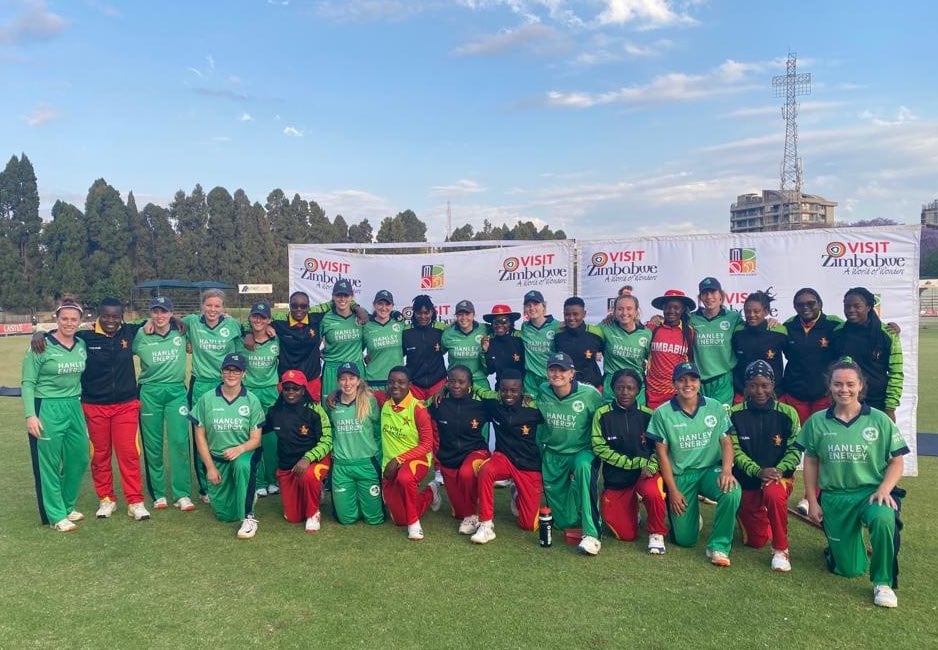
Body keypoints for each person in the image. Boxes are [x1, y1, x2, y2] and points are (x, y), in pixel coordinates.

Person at [796, 358, 909, 608]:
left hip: (871, 493)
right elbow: (811, 461)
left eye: (850, 384)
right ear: (830, 386)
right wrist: (812, 500)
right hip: (835, 497)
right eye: (837, 384)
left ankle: (883, 583)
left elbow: (897, 461)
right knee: (849, 569)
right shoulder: (817, 421)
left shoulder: (879, 420)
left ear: (860, 386)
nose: (844, 389)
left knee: (884, 518)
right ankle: (837, 549)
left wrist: (884, 489)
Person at [31, 297, 150, 521]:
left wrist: (176, 322)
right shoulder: (85, 337)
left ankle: (135, 501)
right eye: (106, 316)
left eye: (116, 316)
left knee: (129, 454)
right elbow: (61, 335)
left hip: (125, 405)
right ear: (98, 315)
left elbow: (153, 322)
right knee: (99, 455)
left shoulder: (129, 332)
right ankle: (106, 499)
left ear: (122, 317)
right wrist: (40, 334)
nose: (111, 321)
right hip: (94, 406)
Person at [647, 362, 741, 567]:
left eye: (693, 379)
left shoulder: (715, 407)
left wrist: (727, 470)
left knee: (731, 490)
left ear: (699, 382)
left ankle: (719, 546)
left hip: (709, 470)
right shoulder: (662, 413)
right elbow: (662, 455)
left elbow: (726, 442)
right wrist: (673, 491)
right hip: (682, 475)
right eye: (682, 380)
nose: (687, 384)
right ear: (674, 384)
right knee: (685, 540)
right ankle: (691, 517)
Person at [22, 298, 90, 532]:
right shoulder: (41, 345)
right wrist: (30, 415)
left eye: (73, 319)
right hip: (47, 406)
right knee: (49, 463)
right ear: (57, 319)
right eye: (64, 319)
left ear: (80, 321)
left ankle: (67, 505)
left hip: (74, 405)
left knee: (79, 457)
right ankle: (55, 515)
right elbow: (28, 382)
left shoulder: (81, 344)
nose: (69, 323)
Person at [729, 360, 801, 572]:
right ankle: (752, 513)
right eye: (753, 385)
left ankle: (780, 550)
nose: (759, 391)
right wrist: (757, 471)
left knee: (773, 493)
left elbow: (795, 449)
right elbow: (735, 451)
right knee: (756, 541)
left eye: (764, 385)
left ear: (772, 385)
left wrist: (779, 470)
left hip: (778, 477)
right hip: (747, 480)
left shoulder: (788, 413)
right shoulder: (733, 413)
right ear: (746, 386)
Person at [591, 369, 667, 554]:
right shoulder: (602, 414)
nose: (625, 392)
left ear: (638, 390)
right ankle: (632, 510)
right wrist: (633, 463)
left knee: (653, 493)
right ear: (613, 389)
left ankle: (656, 533)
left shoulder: (649, 415)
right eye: (620, 387)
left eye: (630, 388)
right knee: (626, 535)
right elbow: (599, 447)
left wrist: (651, 466)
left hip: (644, 474)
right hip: (617, 479)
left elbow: (659, 448)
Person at [536, 352, 604, 555]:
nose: (557, 374)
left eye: (562, 370)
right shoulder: (542, 390)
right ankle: (576, 492)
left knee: (583, 469)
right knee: (565, 522)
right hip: (554, 453)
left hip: (582, 452)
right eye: (552, 369)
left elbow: (603, 420)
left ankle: (592, 534)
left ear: (572, 373)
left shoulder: (590, 394)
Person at [190, 353, 264, 539]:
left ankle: (249, 517)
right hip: (218, 458)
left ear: (244, 374)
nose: (231, 374)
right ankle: (247, 493)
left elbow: (256, 439)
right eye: (228, 370)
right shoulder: (207, 399)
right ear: (221, 372)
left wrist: (240, 449)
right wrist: (210, 468)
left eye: (236, 371)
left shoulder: (251, 400)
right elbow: (200, 436)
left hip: (244, 453)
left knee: (242, 465)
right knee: (225, 515)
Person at [133, 296, 195, 511]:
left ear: (171, 313)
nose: (159, 316)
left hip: (176, 391)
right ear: (150, 313)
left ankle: (182, 494)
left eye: (164, 311)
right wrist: (144, 323)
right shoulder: (141, 333)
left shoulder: (181, 331)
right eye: (155, 311)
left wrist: (178, 321)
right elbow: (121, 342)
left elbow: (199, 321)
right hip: (150, 392)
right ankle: (158, 494)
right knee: (153, 444)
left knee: (179, 441)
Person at [471, 369, 544, 544]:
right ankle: (486, 525)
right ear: (499, 390)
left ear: (522, 390)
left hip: (528, 464)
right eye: (504, 390)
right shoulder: (494, 402)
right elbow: (474, 387)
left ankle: (517, 494)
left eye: (514, 390)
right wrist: (444, 387)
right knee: (486, 469)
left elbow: (552, 402)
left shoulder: (534, 407)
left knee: (529, 525)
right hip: (504, 457)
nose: (508, 394)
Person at [182, 289, 242, 501]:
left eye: (217, 306)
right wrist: (149, 324)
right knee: (202, 435)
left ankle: (231, 479)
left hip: (226, 384)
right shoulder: (191, 322)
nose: (213, 310)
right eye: (209, 305)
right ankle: (206, 487)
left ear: (223, 308)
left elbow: (244, 342)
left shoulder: (232, 325)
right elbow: (170, 322)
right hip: (200, 384)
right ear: (202, 306)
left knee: (228, 430)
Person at [264, 369, 333, 533]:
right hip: (287, 465)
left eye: (296, 388)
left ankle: (313, 513)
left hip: (314, 461)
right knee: (293, 517)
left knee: (308, 476)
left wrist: (307, 458)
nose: (291, 392)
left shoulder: (315, 409)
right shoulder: (275, 411)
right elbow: (258, 429)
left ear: (304, 390)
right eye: (287, 388)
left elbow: (327, 440)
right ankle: (312, 494)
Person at [428, 365, 490, 535]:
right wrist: (439, 391)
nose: (456, 385)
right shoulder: (439, 401)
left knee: (466, 473)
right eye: (452, 381)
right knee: (458, 514)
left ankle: (472, 516)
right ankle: (434, 492)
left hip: (475, 452)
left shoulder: (481, 403)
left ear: (469, 383)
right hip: (449, 459)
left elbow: (505, 403)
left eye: (461, 382)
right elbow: (417, 409)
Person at [380, 366, 438, 540]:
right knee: (399, 520)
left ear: (410, 385)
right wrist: (336, 394)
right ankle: (431, 492)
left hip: (416, 460)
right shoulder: (384, 401)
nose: (395, 386)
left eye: (401, 382)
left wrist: (399, 459)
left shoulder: (418, 408)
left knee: (405, 478)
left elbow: (427, 444)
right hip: (389, 466)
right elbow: (360, 390)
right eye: (391, 382)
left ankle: (414, 524)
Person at [325, 362, 383, 525]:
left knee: (374, 519)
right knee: (346, 519)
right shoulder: (332, 404)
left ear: (358, 380)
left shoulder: (369, 401)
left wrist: (378, 455)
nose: (347, 383)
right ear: (338, 381)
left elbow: (379, 430)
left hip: (366, 464)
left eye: (351, 378)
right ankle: (353, 500)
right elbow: (330, 431)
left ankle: (365, 500)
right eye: (343, 379)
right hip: (342, 466)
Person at [832, 287, 903, 419]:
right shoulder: (837, 332)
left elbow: (896, 373)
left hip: (878, 403)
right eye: (847, 306)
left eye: (857, 306)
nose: (851, 310)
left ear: (869, 307)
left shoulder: (888, 334)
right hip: (845, 402)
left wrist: (890, 407)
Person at [237, 302, 281, 498]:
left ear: (269, 320)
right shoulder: (242, 341)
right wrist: (247, 332)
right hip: (250, 393)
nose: (258, 320)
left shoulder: (276, 340)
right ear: (249, 318)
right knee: (253, 437)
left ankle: (272, 480)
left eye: (263, 317)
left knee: (271, 438)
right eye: (255, 316)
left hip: (271, 392)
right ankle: (259, 480)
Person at [779, 288, 841, 424]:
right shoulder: (788, 326)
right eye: (800, 304)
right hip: (795, 394)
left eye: (811, 303)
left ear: (820, 303)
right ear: (794, 307)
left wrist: (887, 326)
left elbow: (856, 328)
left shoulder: (834, 324)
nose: (805, 307)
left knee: (822, 433)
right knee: (799, 434)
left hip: (824, 394)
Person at [689, 277, 741, 409]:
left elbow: (752, 328)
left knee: (720, 417)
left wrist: (769, 321)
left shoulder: (734, 317)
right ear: (700, 297)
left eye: (713, 292)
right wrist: (657, 319)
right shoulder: (691, 318)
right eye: (705, 293)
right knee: (700, 417)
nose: (709, 297)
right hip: (698, 380)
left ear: (721, 295)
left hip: (723, 379)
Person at [731, 289, 787, 402]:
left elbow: (792, 356)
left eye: (756, 311)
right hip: (743, 394)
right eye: (747, 311)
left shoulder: (779, 331)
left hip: (773, 394)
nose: (751, 315)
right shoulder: (737, 332)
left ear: (766, 312)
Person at [645, 289, 696, 410]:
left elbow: (691, 360)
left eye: (676, 307)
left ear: (683, 309)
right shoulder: (652, 327)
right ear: (663, 308)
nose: (671, 311)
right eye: (668, 307)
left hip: (678, 392)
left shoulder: (689, 332)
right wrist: (611, 317)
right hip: (653, 392)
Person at [598, 294, 651, 403]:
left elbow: (652, 360)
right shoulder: (605, 327)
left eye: (629, 309)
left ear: (636, 311)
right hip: (612, 387)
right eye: (620, 309)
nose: (624, 313)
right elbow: (586, 335)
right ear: (614, 311)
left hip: (636, 388)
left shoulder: (646, 334)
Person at [320, 279, 364, 400]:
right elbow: (314, 343)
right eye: (339, 295)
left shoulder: (360, 315)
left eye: (346, 295)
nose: (342, 299)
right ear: (333, 296)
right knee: (331, 405)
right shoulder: (326, 318)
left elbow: (367, 340)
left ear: (352, 297)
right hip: (333, 369)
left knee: (359, 406)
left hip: (355, 368)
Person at [553, 297, 604, 391]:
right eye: (567, 314)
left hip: (592, 387)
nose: (571, 318)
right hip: (567, 388)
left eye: (575, 314)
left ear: (584, 314)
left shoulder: (596, 333)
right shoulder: (558, 335)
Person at [402, 295, 447, 401]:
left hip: (438, 383)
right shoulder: (405, 331)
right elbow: (397, 353)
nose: (423, 316)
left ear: (432, 312)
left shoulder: (442, 329)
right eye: (419, 313)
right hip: (414, 386)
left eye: (426, 313)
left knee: (437, 412)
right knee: (417, 412)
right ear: (414, 312)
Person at [362, 290, 404, 393]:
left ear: (392, 306)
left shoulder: (400, 323)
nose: (383, 308)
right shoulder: (366, 326)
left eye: (387, 304)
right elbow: (356, 350)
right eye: (380, 304)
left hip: (396, 382)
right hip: (373, 381)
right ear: (374, 305)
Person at [520, 290, 560, 397]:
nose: (532, 308)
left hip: (550, 379)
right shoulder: (525, 327)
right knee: (529, 407)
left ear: (543, 306)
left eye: (536, 304)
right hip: (530, 380)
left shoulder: (557, 326)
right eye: (528, 305)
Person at [441, 300, 488, 390]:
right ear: (456, 316)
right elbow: (437, 355)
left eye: (467, 314)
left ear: (474, 315)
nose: (463, 318)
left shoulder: (485, 329)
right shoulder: (448, 333)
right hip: (456, 382)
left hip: (479, 380)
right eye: (460, 314)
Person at [481, 303, 525, 389]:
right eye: (496, 322)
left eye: (504, 321)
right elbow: (490, 370)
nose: (499, 325)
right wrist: (485, 352)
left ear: (510, 323)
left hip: (521, 386)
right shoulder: (489, 341)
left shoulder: (520, 338)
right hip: (501, 387)